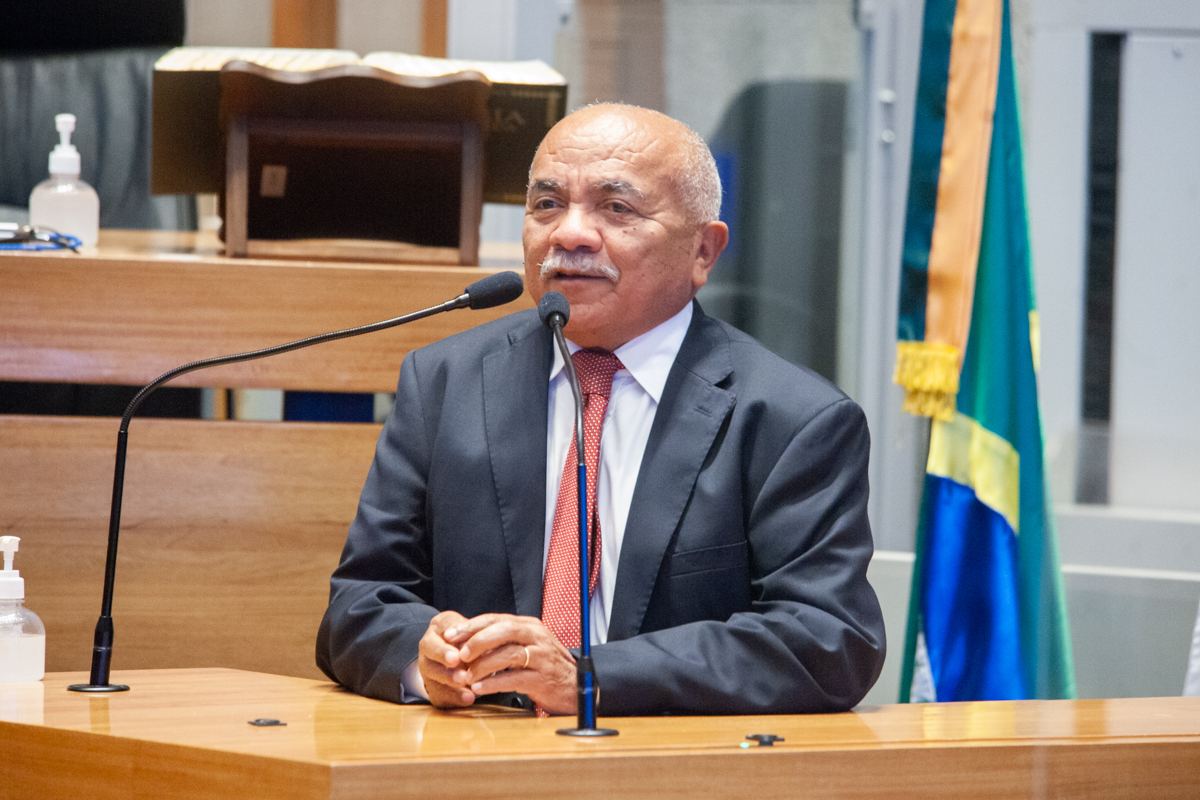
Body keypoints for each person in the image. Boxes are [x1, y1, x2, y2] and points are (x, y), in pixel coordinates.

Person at [316, 103, 885, 715]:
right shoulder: (443, 382)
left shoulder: (791, 420)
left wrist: (589, 680)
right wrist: (425, 658)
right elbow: (360, 604)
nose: (569, 234)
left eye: (616, 208)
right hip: (473, 749)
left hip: (664, 759)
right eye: (547, 204)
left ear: (703, 251)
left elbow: (826, 639)